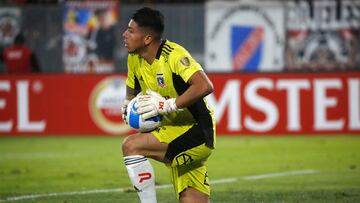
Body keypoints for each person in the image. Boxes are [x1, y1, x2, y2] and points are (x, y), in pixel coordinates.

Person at [121, 7, 216, 203]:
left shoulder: (174, 55)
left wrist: (168, 105)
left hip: (197, 133)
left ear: (147, 38)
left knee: (131, 146)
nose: (125, 34)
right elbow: (132, 90)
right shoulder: (134, 58)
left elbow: (205, 86)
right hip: (170, 130)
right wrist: (127, 104)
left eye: (131, 30)